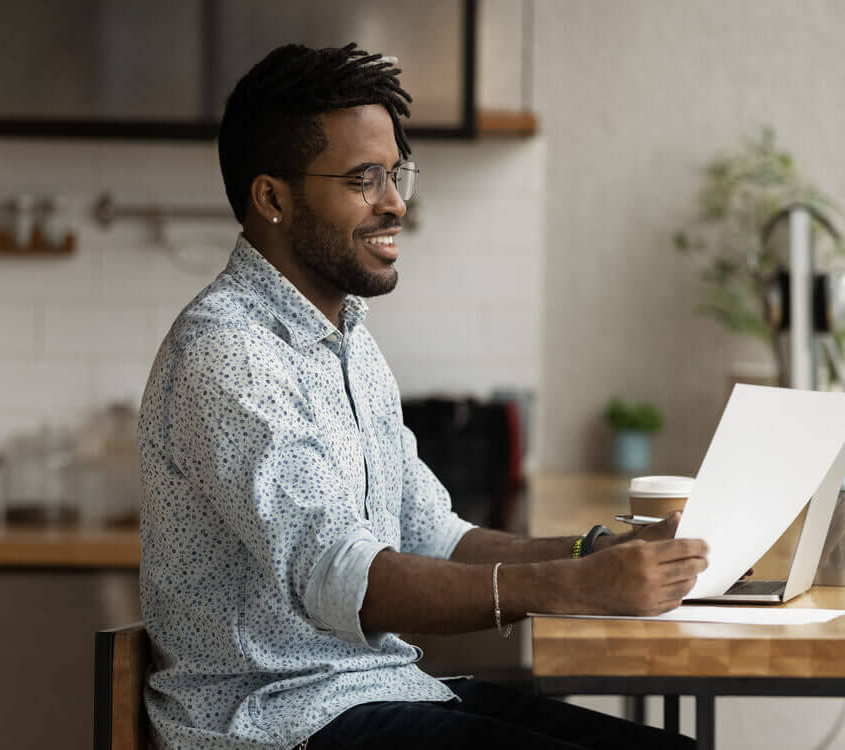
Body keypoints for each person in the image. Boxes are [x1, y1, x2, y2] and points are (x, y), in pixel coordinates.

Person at [138, 43, 709, 750]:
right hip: (275, 722)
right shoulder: (227, 350)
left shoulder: (349, 342)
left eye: (396, 172)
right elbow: (345, 578)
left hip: (378, 691)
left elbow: (430, 534)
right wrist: (581, 590)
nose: (395, 202)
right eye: (363, 178)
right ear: (273, 199)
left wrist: (588, 552)